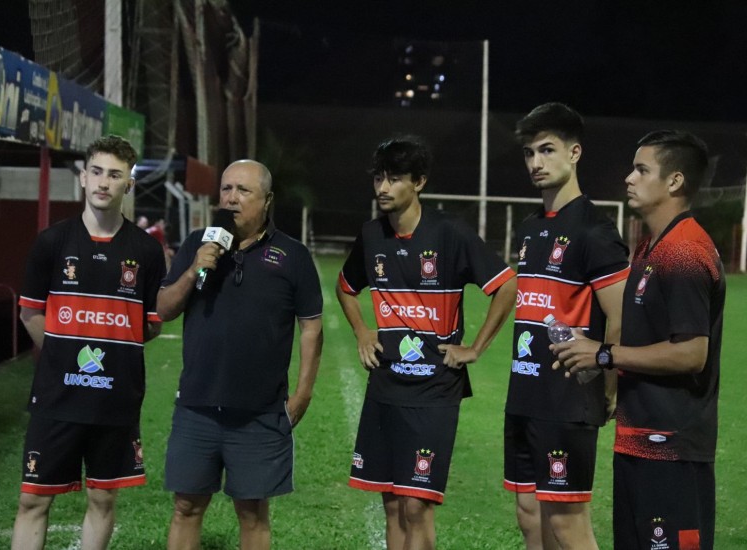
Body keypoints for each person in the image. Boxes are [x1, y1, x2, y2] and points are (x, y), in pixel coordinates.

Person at [336, 136, 517, 550]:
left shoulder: (450, 233)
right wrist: (364, 332)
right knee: (392, 502)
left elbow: (506, 286)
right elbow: (346, 288)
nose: (383, 188)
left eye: (394, 179)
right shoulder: (371, 236)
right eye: (379, 178)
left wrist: (474, 348)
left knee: (416, 506)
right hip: (385, 387)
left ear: (418, 182)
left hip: (435, 390)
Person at [553, 130, 725, 550]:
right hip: (638, 440)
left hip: (672, 447)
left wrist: (605, 353)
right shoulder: (650, 246)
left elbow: (691, 352)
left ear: (675, 182)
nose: (629, 178)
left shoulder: (685, 250)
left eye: (642, 169)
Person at [157, 159, 323, 550]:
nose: (231, 198)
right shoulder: (200, 243)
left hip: (259, 412)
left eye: (243, 191)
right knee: (186, 507)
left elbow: (311, 327)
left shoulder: (292, 256)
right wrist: (195, 267)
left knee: (252, 514)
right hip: (196, 406)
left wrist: (302, 394)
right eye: (227, 189)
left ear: (267, 200)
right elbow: (164, 309)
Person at [13, 135, 165, 549]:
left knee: (102, 496)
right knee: (32, 500)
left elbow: (150, 325)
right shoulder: (51, 243)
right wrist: (63, 355)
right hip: (57, 397)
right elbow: (30, 312)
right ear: (83, 177)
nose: (103, 182)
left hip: (114, 399)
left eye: (115, 175)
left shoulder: (147, 252)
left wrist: (112, 348)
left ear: (128, 185)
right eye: (96, 171)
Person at [503, 103, 630, 550]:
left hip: (568, 397)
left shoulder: (596, 230)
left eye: (547, 150)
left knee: (567, 523)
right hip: (524, 392)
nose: (536, 163)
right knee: (529, 515)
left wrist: (608, 386)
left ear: (574, 153)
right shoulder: (530, 227)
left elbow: (621, 315)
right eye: (529, 153)